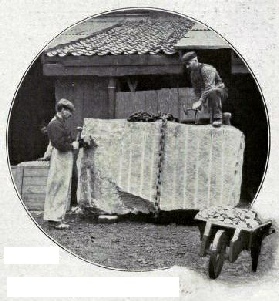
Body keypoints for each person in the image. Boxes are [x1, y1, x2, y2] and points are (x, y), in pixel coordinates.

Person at [43, 98, 79, 230]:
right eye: (69, 111)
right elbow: (59, 144)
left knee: (58, 186)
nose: (70, 114)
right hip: (60, 157)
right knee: (59, 186)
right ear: (63, 110)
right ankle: (56, 219)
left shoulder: (60, 123)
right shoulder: (55, 124)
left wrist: (76, 143)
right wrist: (73, 145)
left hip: (63, 157)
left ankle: (53, 217)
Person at [182, 51, 228, 127]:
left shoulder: (206, 69)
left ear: (195, 60)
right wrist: (197, 102)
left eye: (188, 64)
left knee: (213, 91)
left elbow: (210, 87)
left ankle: (218, 118)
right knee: (207, 96)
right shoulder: (193, 73)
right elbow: (197, 90)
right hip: (208, 93)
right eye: (185, 65)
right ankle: (223, 117)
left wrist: (200, 101)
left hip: (220, 92)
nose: (187, 67)